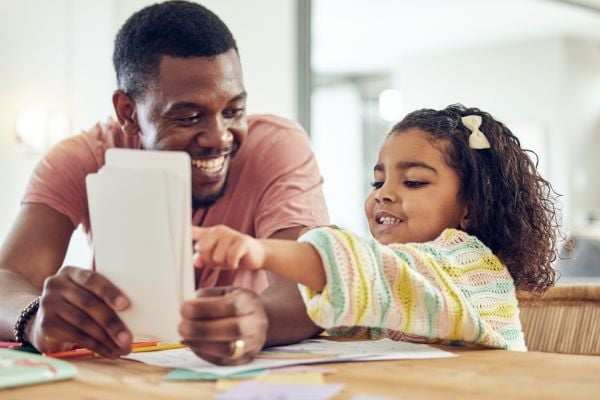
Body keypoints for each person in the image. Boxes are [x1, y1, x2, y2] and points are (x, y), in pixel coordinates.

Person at [0, 0, 329, 365]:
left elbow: (310, 280)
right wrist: (33, 316)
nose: (219, 137)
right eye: (189, 117)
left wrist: (259, 318)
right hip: (126, 373)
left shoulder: (276, 146)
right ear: (129, 112)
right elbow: (7, 277)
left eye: (234, 110)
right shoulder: (83, 158)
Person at [191, 104, 561, 351]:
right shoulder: (388, 275)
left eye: (413, 182)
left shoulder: (471, 266)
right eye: (377, 182)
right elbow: (344, 312)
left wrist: (261, 251)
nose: (383, 195)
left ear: (471, 207)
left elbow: (376, 274)